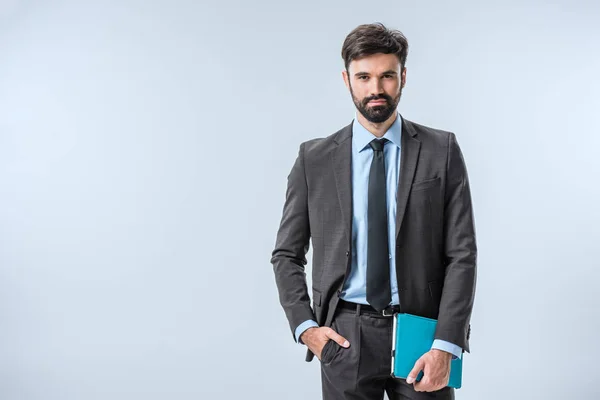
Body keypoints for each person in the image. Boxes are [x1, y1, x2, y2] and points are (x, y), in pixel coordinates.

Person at [270, 22, 477, 400]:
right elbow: (286, 254)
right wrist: (307, 329)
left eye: (387, 76)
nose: (376, 89)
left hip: (421, 334)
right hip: (345, 334)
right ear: (346, 79)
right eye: (364, 76)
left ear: (403, 78)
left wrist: (447, 343)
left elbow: (462, 255)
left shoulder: (441, 150)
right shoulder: (312, 159)